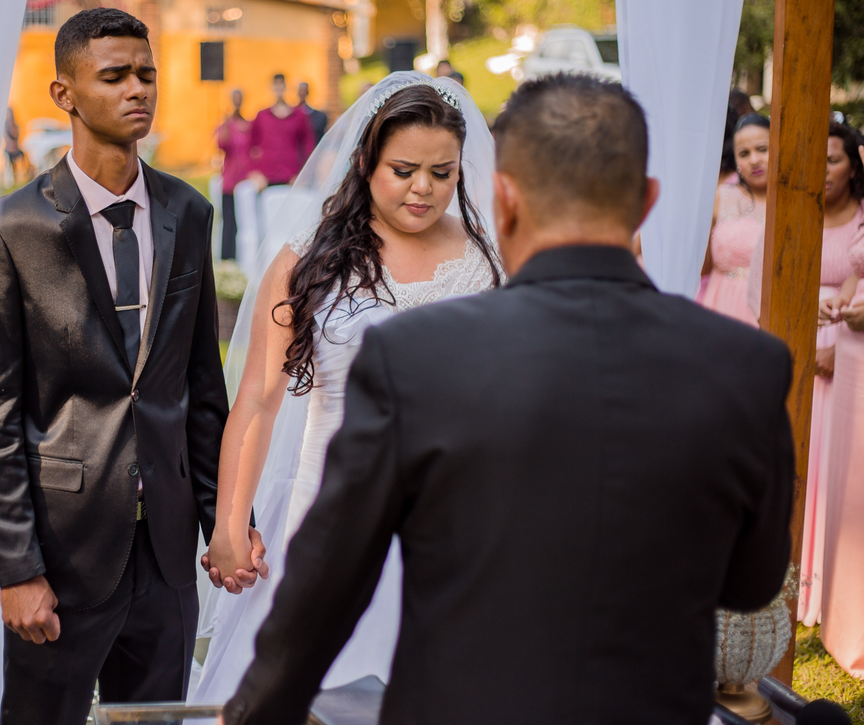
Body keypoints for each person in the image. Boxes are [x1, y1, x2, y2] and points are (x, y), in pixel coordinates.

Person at [220, 73, 794, 725]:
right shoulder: (752, 366)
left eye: (442, 172)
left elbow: (329, 582)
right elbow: (751, 583)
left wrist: (260, 709)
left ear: (502, 197)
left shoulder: (419, 351)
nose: (423, 187)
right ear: (649, 201)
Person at [0, 8, 250, 725]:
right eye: (114, 75)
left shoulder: (188, 211)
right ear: (64, 94)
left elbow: (201, 388)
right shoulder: (13, 227)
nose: (137, 90)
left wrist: (220, 518)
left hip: (167, 549)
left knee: (157, 720)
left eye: (146, 74)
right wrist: (18, 570)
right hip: (62, 548)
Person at [189, 73, 502, 705]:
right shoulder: (306, 260)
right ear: (365, 161)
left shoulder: (486, 263)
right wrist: (228, 523)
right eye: (405, 169)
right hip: (323, 516)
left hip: (448, 531)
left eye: (443, 173)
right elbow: (258, 399)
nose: (424, 189)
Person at [796, 122, 864, 629]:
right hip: (801, 349)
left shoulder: (861, 221)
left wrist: (838, 351)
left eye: (833, 159)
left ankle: (833, 584)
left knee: (835, 467)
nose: (823, 170)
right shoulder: (797, 209)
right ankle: (797, 574)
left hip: (846, 356)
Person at [821, 134, 864, 674]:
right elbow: (856, 267)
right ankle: (846, 617)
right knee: (849, 483)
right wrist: (844, 296)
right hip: (853, 350)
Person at [697, 114, 769, 325]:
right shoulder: (720, 196)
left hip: (766, 310)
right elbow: (703, 265)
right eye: (744, 154)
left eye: (762, 149)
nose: (754, 160)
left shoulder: (793, 204)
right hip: (719, 304)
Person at [249, 74, 313, 186]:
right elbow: (249, 146)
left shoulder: (299, 116)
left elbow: (308, 146)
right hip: (266, 178)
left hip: (292, 177)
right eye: (276, 84)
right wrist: (255, 172)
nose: (279, 88)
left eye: (281, 84)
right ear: (272, 88)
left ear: (286, 87)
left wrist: (303, 173)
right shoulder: (262, 116)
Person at [217, 89, 253, 259]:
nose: (237, 101)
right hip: (230, 181)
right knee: (229, 223)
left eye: (240, 99)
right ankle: (228, 258)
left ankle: (245, 257)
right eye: (235, 99)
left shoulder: (249, 125)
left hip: (246, 181)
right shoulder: (226, 125)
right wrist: (226, 121)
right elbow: (221, 145)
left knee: (246, 222)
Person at [3, 106, 27, 183]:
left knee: (22, 156)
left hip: (15, 149)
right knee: (11, 162)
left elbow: (16, 136)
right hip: (10, 150)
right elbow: (12, 137)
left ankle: (25, 173)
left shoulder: (13, 124)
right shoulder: (6, 126)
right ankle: (13, 177)